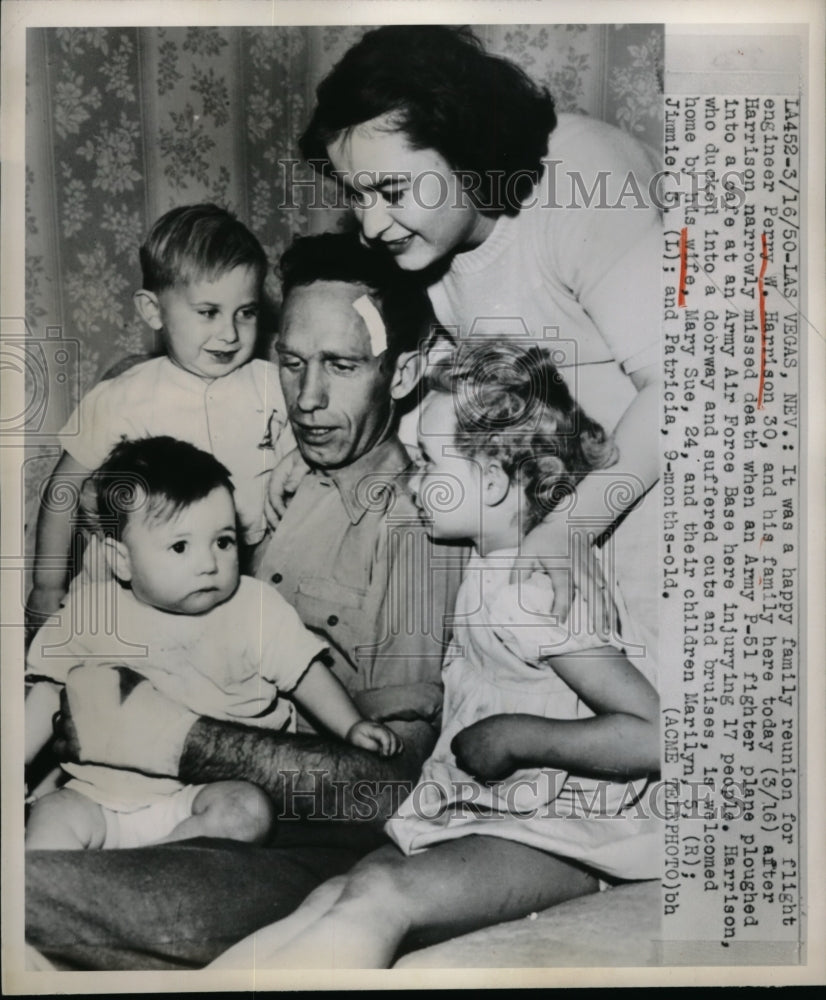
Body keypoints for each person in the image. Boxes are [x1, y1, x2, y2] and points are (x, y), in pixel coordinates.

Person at [25, 233, 464, 970]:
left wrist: (162, 732)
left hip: (289, 837)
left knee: (39, 894)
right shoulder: (269, 466)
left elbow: (389, 791)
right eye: (291, 364)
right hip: (129, 782)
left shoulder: (416, 527)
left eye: (342, 366)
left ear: (403, 372)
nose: (309, 399)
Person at [211, 341, 660, 970]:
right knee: (334, 891)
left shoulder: (531, 591)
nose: (410, 479)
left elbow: (654, 735)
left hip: (574, 836)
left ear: (498, 481)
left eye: (426, 462)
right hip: (494, 813)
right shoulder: (487, 564)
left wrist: (517, 735)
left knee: (378, 893)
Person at [298, 24, 662, 638]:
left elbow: (683, 390)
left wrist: (568, 528)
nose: (371, 225)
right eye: (355, 196)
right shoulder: (422, 245)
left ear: (468, 149)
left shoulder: (585, 181)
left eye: (391, 190)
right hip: (574, 507)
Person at [25, 436, 401, 851]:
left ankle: (149, 868)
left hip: (198, 798)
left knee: (247, 810)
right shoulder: (91, 611)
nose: (209, 564)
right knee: (52, 817)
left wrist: (350, 726)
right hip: (97, 797)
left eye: (223, 541)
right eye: (180, 546)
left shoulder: (253, 608)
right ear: (121, 560)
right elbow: (47, 692)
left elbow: (306, 675)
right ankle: (65, 881)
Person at [26, 203, 293, 635]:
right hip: (127, 598)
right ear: (153, 311)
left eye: (245, 312)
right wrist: (46, 584)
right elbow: (62, 488)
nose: (230, 333)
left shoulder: (275, 386)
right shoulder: (121, 397)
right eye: (208, 312)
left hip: (231, 587)